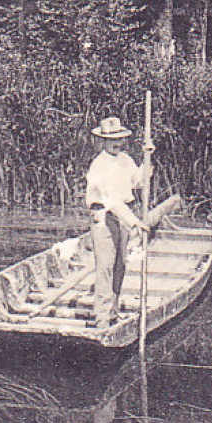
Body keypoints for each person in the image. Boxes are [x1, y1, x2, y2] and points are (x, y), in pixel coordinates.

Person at [85, 116, 153, 327]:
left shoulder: (125, 160)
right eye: (112, 140)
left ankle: (113, 311)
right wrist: (135, 222)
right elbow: (111, 201)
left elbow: (139, 183)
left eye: (120, 139)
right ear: (102, 141)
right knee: (105, 267)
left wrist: (147, 159)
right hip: (104, 218)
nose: (117, 143)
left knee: (120, 264)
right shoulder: (98, 166)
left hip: (123, 216)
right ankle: (102, 319)